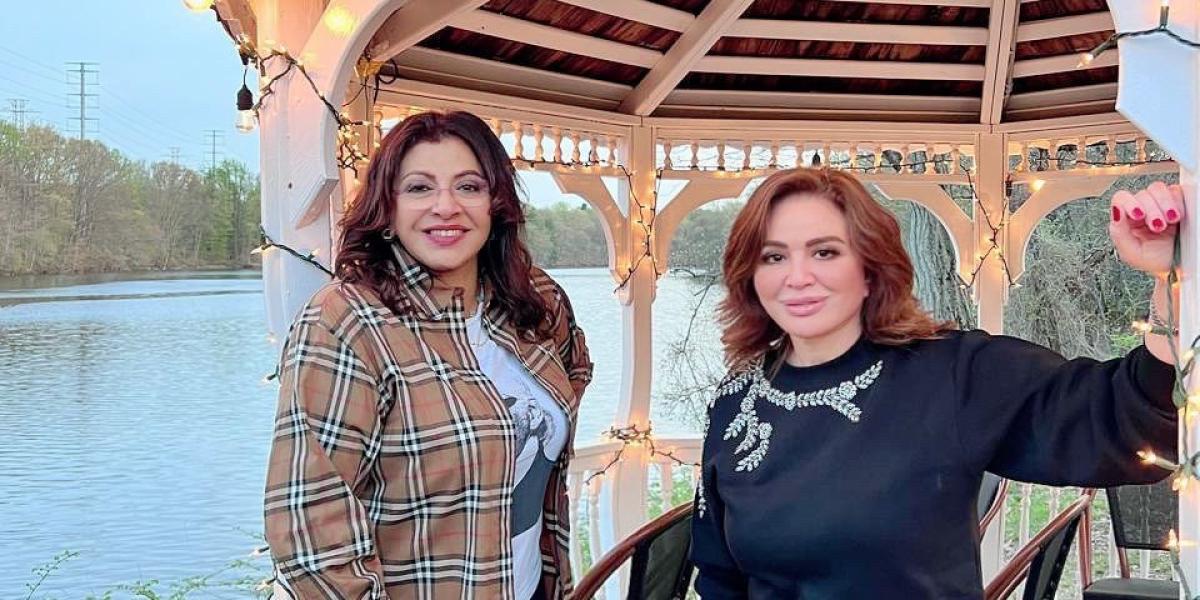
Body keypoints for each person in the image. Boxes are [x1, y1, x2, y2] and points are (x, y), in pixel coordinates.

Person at [692, 167, 1183, 598]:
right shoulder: (737, 400)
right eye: (773, 257)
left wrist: (1168, 279)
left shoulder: (952, 374)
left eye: (825, 252)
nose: (797, 277)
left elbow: (1126, 420)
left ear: (869, 269)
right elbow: (719, 577)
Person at [264, 110, 593, 599]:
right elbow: (312, 536)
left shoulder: (534, 298)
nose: (446, 206)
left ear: (496, 204)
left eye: (469, 186)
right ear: (388, 208)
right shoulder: (347, 322)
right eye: (419, 188)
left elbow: (574, 369)